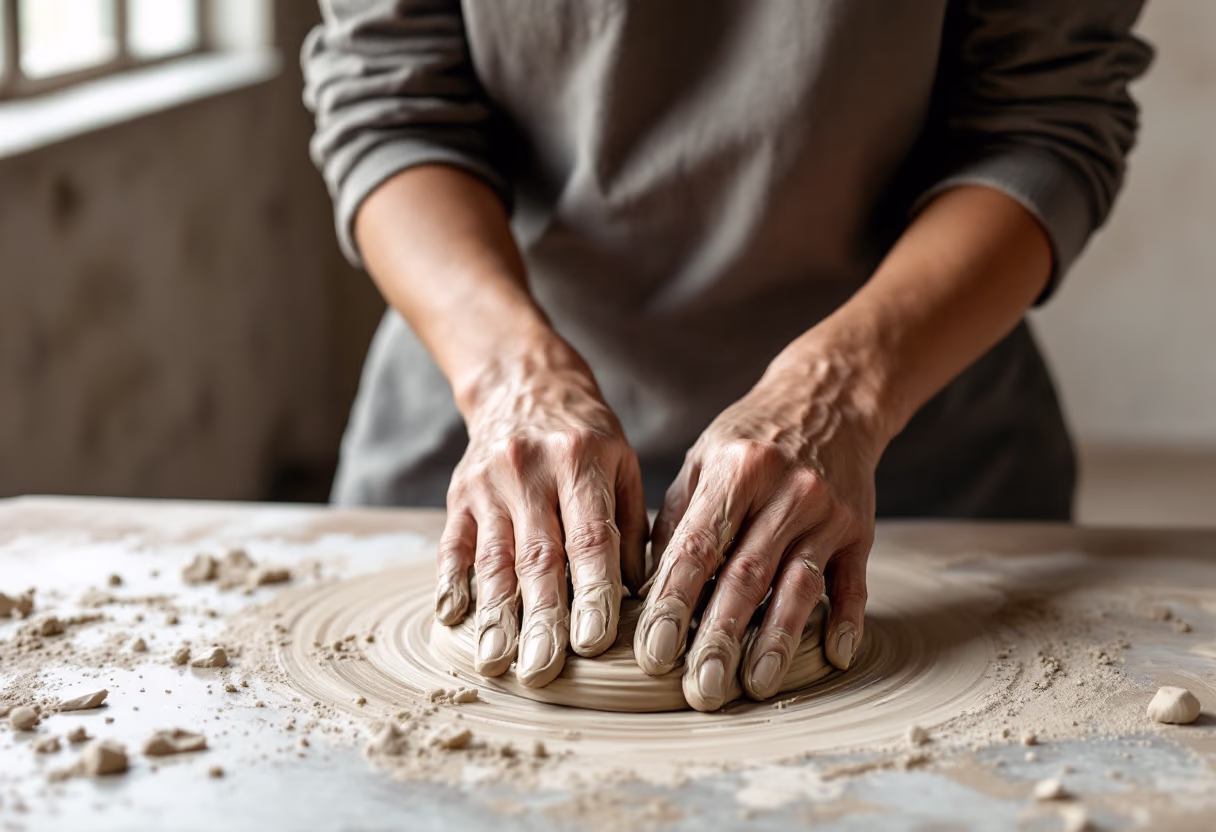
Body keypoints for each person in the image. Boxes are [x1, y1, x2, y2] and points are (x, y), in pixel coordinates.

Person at [303, 1, 1151, 711]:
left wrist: (842, 395)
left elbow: (1044, 118)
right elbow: (392, 104)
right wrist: (511, 382)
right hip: (486, 412)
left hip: (910, 439)